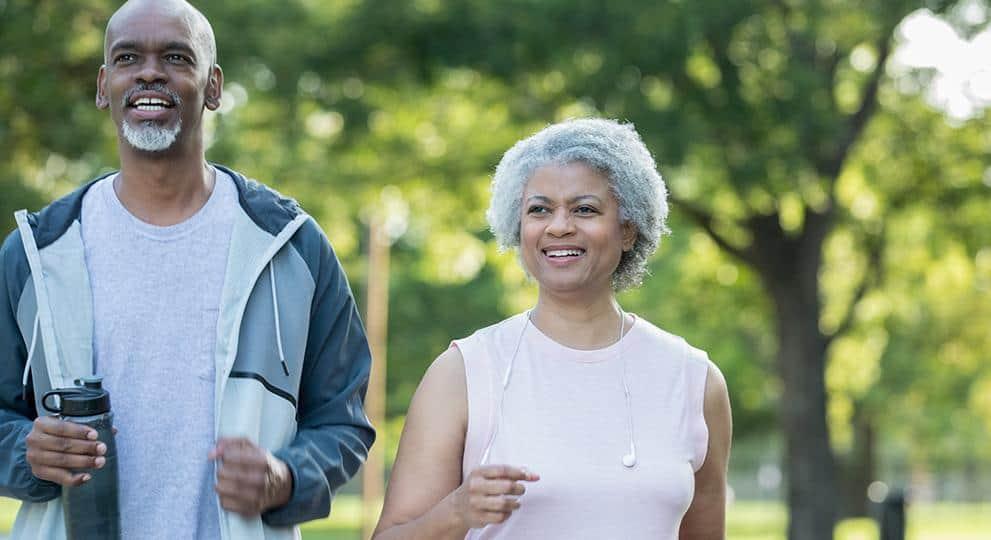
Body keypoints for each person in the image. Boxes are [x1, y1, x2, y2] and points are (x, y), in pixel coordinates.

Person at [0, 1, 374, 538]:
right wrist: (26, 452)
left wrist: (287, 477)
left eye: (176, 57)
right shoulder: (36, 253)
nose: (150, 72)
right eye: (129, 57)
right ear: (105, 85)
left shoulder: (291, 247)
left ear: (214, 86)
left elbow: (343, 419)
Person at [373, 118, 732, 539]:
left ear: (629, 229)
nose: (559, 226)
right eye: (539, 209)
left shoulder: (694, 380)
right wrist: (456, 512)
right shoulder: (463, 372)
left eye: (584, 209)